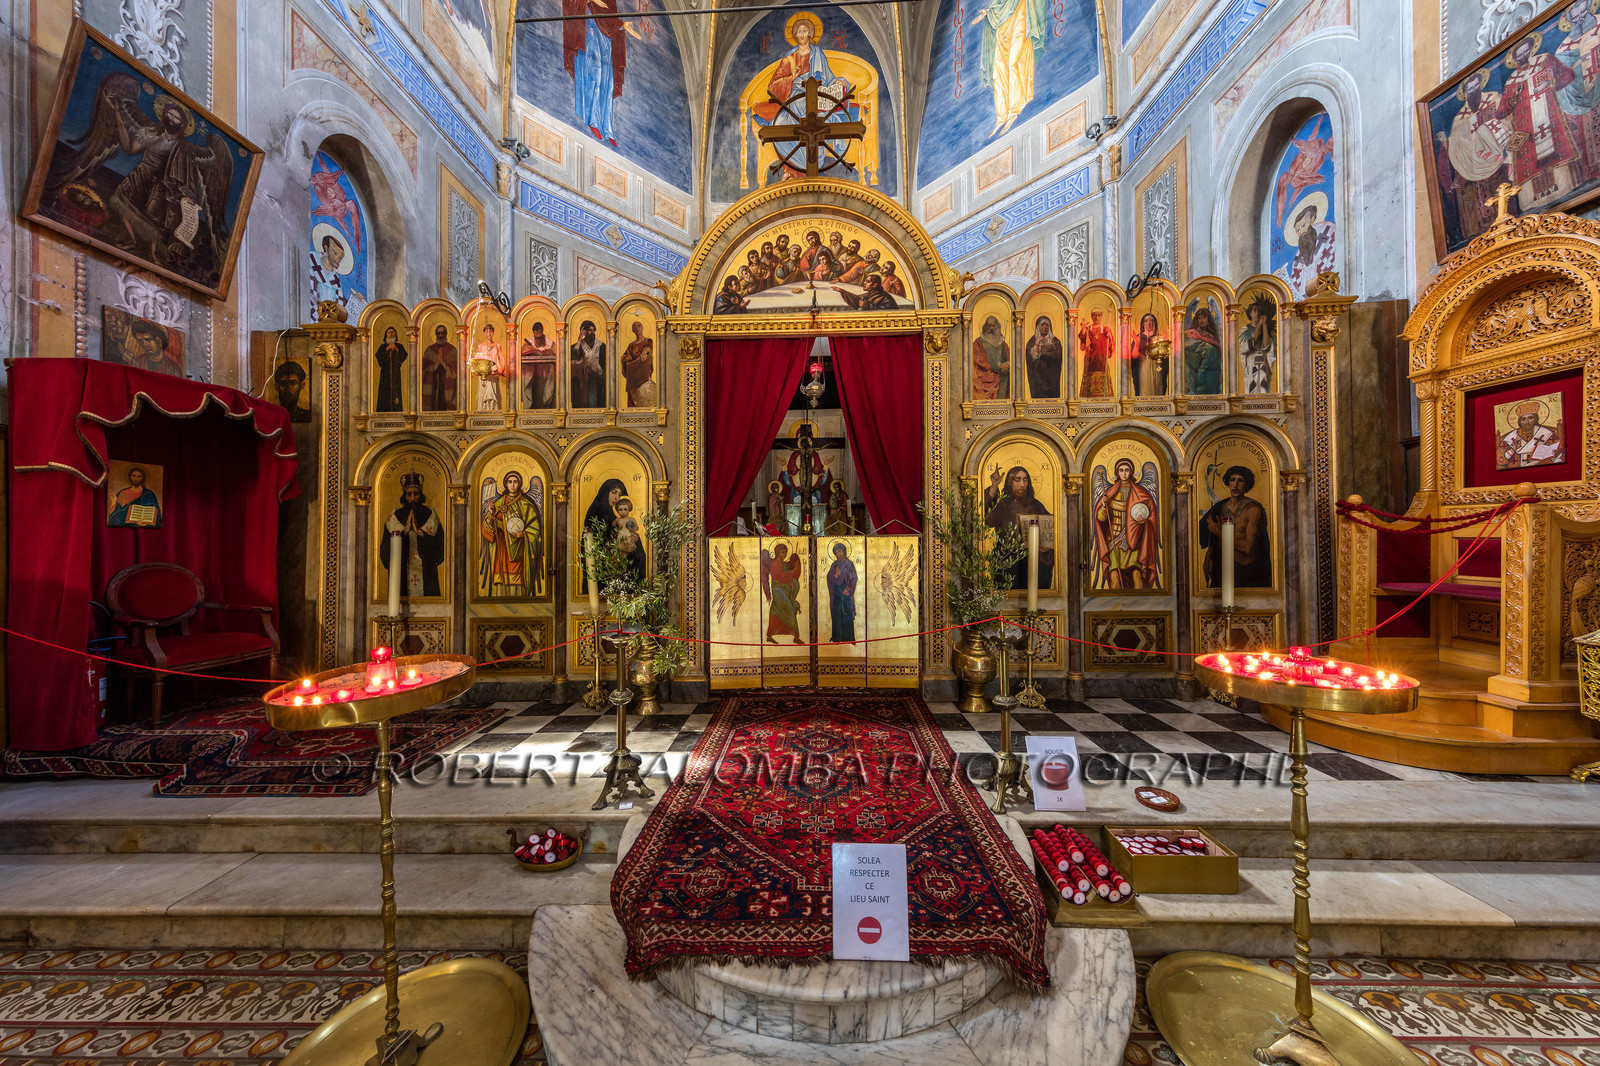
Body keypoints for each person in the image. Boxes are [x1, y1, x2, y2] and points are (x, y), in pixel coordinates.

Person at [1497, 31, 1581, 204]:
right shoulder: (1512, 80)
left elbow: (1568, 75)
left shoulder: (1544, 61)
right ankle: (1534, 202)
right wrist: (1512, 100)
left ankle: (1566, 187)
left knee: (1556, 150)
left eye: (1525, 52)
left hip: (1550, 119)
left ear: (1531, 49)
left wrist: (1550, 83)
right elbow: (1501, 112)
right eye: (1518, 55)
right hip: (1526, 129)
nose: (1522, 57)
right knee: (1530, 162)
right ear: (1515, 58)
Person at [562, 0, 642, 148]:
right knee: (595, 73)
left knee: (607, 81)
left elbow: (609, 15)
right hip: (589, 25)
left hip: (606, 38)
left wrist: (621, 26)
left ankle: (607, 129)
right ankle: (592, 119)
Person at [1446, 67, 1512, 241]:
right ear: (1465, 93)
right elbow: (1456, 144)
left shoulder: (1494, 99)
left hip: (1497, 158)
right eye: (1469, 89)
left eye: (1476, 87)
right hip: (1473, 165)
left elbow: (1507, 121)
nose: (1473, 91)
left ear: (1481, 85)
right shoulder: (1460, 117)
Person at [969, 0, 1046, 136]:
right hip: (1003, 25)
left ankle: (1015, 109)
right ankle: (1002, 115)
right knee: (998, 71)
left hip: (1020, 15)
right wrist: (989, 12)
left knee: (1013, 63)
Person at [1092, 457, 1160, 590]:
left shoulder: (1141, 493)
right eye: (1121, 470)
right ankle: (1114, 603)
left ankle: (1139, 603)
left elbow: (1151, 516)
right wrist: (1104, 507)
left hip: (1134, 541)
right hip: (1114, 540)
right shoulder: (1110, 493)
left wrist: (1144, 521)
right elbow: (1101, 519)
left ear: (1131, 472)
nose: (1124, 473)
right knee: (1114, 576)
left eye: (1127, 470)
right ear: (1117, 472)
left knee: (1136, 575)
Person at [1200, 466, 1272, 589]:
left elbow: (1247, 547)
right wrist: (1210, 554)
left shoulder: (1252, 509)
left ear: (1247, 485)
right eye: (1232, 480)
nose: (1235, 485)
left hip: (1246, 572)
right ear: (1228, 482)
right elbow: (1213, 540)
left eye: (1240, 480)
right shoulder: (1220, 507)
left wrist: (1218, 532)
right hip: (1223, 568)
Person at [984, 464, 1053, 590]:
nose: (1022, 484)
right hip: (1007, 558)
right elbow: (987, 519)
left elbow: (1049, 527)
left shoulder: (1036, 505)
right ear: (1010, 483)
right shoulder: (1003, 504)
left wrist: (1045, 545)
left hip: (1031, 559)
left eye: (1025, 480)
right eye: (1018, 480)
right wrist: (994, 486)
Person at [481, 470, 544, 597]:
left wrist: (524, 534)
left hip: (519, 549)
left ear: (520, 483)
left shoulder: (526, 504)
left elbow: (535, 529)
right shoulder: (498, 504)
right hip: (502, 549)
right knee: (502, 583)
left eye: (515, 482)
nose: (513, 485)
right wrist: (491, 515)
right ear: (505, 484)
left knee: (518, 584)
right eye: (510, 482)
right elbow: (487, 528)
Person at [383, 472, 445, 598]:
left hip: (427, 580)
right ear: (404, 495)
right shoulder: (395, 518)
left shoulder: (430, 516)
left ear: (421, 495)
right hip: (402, 580)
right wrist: (404, 533)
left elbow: (440, 552)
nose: (412, 498)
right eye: (409, 494)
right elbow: (385, 554)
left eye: (416, 494)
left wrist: (421, 533)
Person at [1275, 202, 1337, 299]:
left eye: (1303, 225)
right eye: (1297, 230)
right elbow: (1295, 285)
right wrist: (1280, 279)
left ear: (1312, 219)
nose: (1301, 232)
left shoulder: (1328, 230)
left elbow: (1331, 263)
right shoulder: (1300, 254)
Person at [580, 478, 633, 592]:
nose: (617, 498)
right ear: (605, 491)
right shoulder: (595, 512)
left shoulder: (610, 514)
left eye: (619, 495)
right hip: (599, 568)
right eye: (614, 492)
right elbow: (593, 543)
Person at [781, 424, 830, 534]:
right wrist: (784, 466)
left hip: (812, 488)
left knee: (814, 506)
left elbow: (822, 480)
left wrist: (829, 445)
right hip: (799, 487)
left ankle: (818, 536)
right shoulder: (796, 455)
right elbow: (789, 482)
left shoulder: (813, 453)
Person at [1498, 399, 1566, 468]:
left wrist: (1558, 453)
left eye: (1530, 418)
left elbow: (1560, 452)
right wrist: (1513, 450)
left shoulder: (1545, 433)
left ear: (1535, 419)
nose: (1527, 422)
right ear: (1519, 422)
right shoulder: (1511, 437)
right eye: (1523, 419)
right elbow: (1500, 460)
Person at [762, 541, 805, 644]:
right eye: (782, 552)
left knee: (775, 612)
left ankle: (769, 636)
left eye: (785, 552)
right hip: (777, 590)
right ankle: (796, 636)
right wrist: (792, 571)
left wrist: (791, 581)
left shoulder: (783, 564)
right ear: (777, 552)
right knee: (790, 609)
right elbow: (780, 577)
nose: (784, 555)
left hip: (784, 589)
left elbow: (787, 577)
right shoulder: (774, 563)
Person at [1238, 293, 1277, 394]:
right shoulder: (1245, 330)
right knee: (1252, 385)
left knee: (1263, 386)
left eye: (1259, 311)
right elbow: (1250, 344)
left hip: (1263, 362)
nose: (1257, 313)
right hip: (1251, 362)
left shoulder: (1268, 330)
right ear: (1250, 313)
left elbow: (1266, 347)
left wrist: (1264, 325)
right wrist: (1258, 325)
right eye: (1254, 310)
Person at [1183, 305, 1222, 395]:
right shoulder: (1192, 333)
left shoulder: (1212, 335)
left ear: (1208, 319)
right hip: (1193, 363)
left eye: (1204, 317)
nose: (1201, 320)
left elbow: (1217, 353)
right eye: (1199, 318)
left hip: (1209, 368)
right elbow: (1186, 344)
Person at [1077, 308, 1115, 397]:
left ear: (1101, 316)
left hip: (1102, 360)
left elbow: (1111, 346)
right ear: (1091, 316)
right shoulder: (1088, 329)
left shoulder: (1106, 330)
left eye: (1099, 315)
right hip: (1090, 360)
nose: (1096, 318)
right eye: (1094, 315)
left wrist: (1110, 337)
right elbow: (1083, 341)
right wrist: (1083, 329)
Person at [520, 321, 558, 408]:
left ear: (542, 331)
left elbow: (556, 352)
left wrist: (547, 352)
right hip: (533, 372)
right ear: (533, 332)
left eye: (540, 333)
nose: (538, 335)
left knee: (547, 391)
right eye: (536, 333)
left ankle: (546, 407)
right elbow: (523, 352)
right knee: (534, 391)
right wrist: (533, 351)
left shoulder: (549, 342)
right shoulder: (529, 342)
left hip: (547, 371)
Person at [826, 542, 858, 643]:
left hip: (846, 592)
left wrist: (848, 588)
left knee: (846, 613)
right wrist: (835, 575)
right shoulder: (834, 565)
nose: (838, 554)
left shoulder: (849, 564)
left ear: (844, 551)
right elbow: (829, 577)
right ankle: (837, 637)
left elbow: (854, 578)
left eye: (839, 551)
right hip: (836, 593)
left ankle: (848, 638)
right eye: (836, 552)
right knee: (837, 614)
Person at [569, 319, 606, 408]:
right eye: (590, 330)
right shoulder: (578, 345)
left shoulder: (601, 346)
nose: (592, 332)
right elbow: (574, 358)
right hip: (583, 380)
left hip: (597, 378)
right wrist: (579, 339)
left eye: (593, 330)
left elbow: (604, 364)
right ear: (584, 332)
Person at [1024, 314, 1063, 399]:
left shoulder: (1055, 341)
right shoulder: (1032, 341)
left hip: (1052, 375)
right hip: (1037, 378)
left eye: (1047, 325)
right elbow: (1030, 358)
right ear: (1038, 327)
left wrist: (1042, 352)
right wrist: (1037, 343)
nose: (1045, 327)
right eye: (1042, 325)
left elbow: (1059, 355)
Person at [972, 315, 1010, 399]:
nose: (991, 328)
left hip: (1002, 377)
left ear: (998, 326)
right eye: (989, 326)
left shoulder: (1002, 342)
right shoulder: (978, 343)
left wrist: (1007, 364)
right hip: (985, 375)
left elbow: (1009, 357)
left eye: (993, 326)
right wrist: (998, 366)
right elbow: (978, 360)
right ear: (985, 327)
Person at [421, 324, 458, 411]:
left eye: (442, 333)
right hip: (433, 381)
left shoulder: (452, 349)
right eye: (438, 333)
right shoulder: (430, 350)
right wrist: (434, 366)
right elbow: (423, 369)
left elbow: (457, 370)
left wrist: (445, 366)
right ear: (436, 334)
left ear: (446, 334)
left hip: (447, 382)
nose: (440, 335)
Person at [1130, 312, 1167, 396]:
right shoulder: (1139, 336)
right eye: (1146, 321)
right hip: (1143, 367)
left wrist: (1163, 345)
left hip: (1157, 367)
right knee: (1145, 388)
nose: (1149, 323)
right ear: (1143, 323)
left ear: (1155, 323)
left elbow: (1164, 356)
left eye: (1152, 320)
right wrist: (1137, 343)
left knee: (1157, 387)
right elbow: (1134, 356)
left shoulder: (1159, 337)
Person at [620, 320, 656, 407]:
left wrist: (645, 351)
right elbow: (624, 357)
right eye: (634, 327)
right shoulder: (631, 345)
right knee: (633, 400)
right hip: (633, 378)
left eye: (639, 326)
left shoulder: (648, 341)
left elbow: (649, 350)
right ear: (633, 330)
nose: (637, 328)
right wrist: (625, 358)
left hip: (643, 374)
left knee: (645, 396)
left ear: (642, 328)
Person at [373, 326, 407, 412]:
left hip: (396, 373)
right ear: (386, 335)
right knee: (384, 392)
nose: (391, 334)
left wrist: (396, 349)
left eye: (392, 332)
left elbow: (404, 355)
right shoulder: (382, 347)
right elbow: (379, 357)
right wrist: (387, 349)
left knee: (396, 392)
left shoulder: (399, 346)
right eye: (389, 332)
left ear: (395, 334)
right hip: (385, 374)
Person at [471, 323, 504, 411]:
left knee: (493, 393)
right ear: (484, 333)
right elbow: (477, 359)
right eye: (487, 331)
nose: (489, 333)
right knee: (484, 393)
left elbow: (502, 358)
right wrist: (476, 370)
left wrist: (502, 369)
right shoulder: (480, 346)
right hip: (483, 374)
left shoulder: (497, 346)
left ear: (493, 333)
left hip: (493, 373)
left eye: (491, 331)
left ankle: (493, 411)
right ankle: (483, 411)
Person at [832, 272, 897, 310]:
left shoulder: (884, 298)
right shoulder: (870, 294)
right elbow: (857, 299)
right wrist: (842, 291)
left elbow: (886, 312)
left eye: (868, 281)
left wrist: (867, 305)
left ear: (874, 285)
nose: (864, 283)